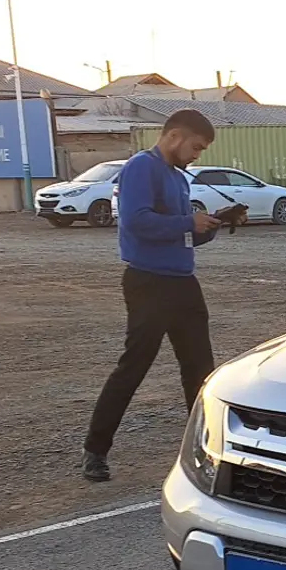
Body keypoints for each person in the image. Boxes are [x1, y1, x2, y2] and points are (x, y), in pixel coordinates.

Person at [81, 109, 224, 482]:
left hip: (182, 283)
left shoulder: (176, 177)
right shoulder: (141, 168)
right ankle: (95, 450)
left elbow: (178, 232)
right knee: (134, 366)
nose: (197, 155)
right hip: (148, 282)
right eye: (196, 147)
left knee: (200, 370)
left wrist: (209, 227)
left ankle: (206, 451)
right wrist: (188, 222)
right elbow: (137, 221)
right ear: (174, 136)